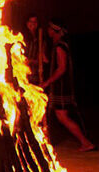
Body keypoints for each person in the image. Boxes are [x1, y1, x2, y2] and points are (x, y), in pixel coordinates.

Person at [41, 18, 95, 152]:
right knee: (60, 116)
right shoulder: (57, 45)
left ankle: (86, 142)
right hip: (58, 86)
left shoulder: (60, 46)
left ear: (56, 31)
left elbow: (62, 68)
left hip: (61, 86)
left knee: (62, 116)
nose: (48, 31)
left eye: (50, 29)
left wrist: (47, 83)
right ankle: (85, 142)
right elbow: (48, 61)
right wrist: (42, 51)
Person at [22, 13, 48, 84]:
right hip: (23, 72)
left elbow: (42, 57)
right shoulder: (21, 36)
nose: (33, 24)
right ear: (27, 23)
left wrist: (35, 61)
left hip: (36, 72)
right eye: (31, 21)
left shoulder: (40, 37)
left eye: (35, 22)